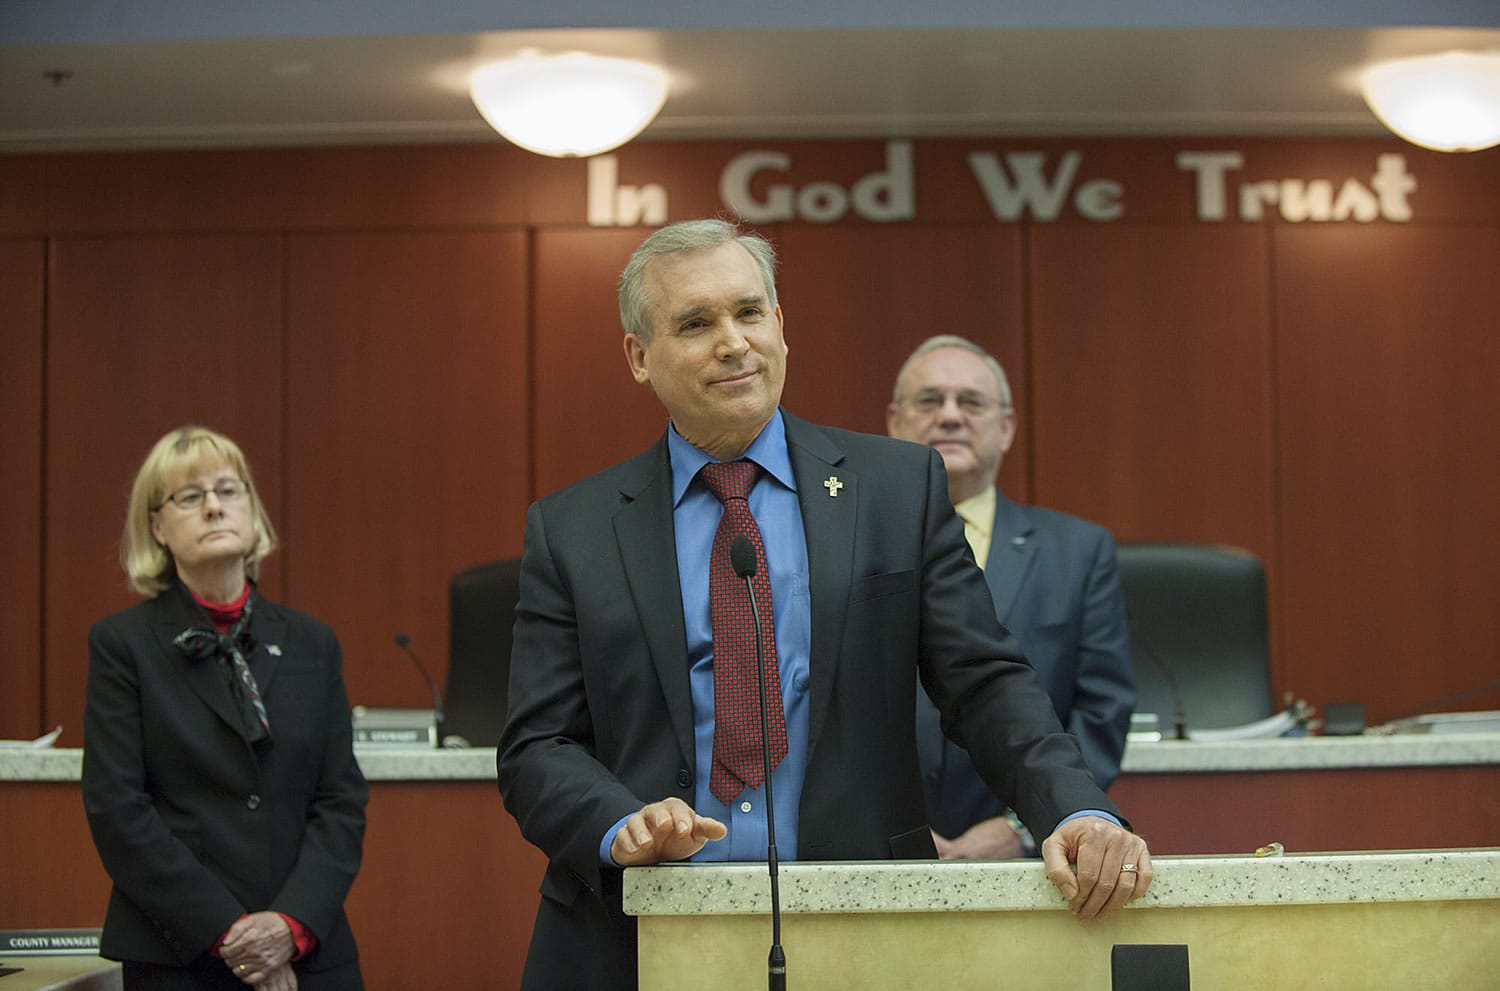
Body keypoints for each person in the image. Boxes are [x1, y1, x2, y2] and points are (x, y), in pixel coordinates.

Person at [497, 219, 1152, 990]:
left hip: (860, 918)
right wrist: (618, 822)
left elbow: (985, 683)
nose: (734, 342)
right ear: (640, 357)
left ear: (780, 326)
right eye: (696, 323)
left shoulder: (894, 488)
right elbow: (537, 745)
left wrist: (1077, 810)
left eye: (749, 313)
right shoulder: (573, 528)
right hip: (634, 929)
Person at [83, 426, 367, 991]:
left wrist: (288, 925)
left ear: (253, 512)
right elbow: (119, 809)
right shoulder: (122, 645)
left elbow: (340, 800)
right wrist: (231, 934)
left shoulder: (313, 643)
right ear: (157, 527)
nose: (214, 507)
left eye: (229, 490)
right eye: (190, 497)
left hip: (310, 953)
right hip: (180, 956)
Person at [887, 335, 1136, 860]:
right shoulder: (852, 546)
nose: (951, 416)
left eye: (971, 402)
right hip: (877, 851)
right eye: (930, 401)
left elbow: (1100, 714)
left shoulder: (1078, 551)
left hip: (1031, 856)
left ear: (1006, 428)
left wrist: (1022, 825)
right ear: (894, 423)